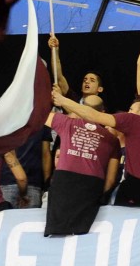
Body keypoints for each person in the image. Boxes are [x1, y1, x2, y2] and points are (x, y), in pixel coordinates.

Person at [52, 91, 140, 207]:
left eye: (131, 109)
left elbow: (95, 116)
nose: (128, 112)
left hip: (137, 187)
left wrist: (63, 100)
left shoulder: (133, 119)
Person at [44, 93, 120, 235]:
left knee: (57, 230)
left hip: (64, 179)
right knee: (82, 232)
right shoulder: (112, 140)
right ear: (102, 112)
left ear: (80, 108)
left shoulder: (66, 122)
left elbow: (40, 114)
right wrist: (101, 196)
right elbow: (110, 180)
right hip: (92, 184)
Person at [1, 127, 52, 209]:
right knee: (31, 217)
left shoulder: (6, 121)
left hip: (7, 179)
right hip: (33, 181)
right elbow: (46, 154)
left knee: (7, 217)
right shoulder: (42, 122)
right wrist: (47, 185)